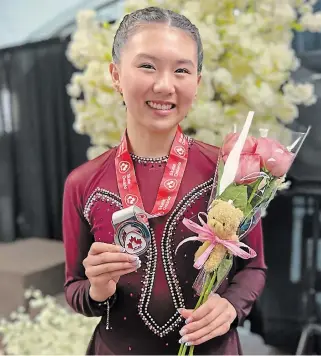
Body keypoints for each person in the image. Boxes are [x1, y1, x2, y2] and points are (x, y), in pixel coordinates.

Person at [62, 6, 267, 355]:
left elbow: (254, 267)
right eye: (147, 66)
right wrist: (97, 289)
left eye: (182, 70)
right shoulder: (82, 183)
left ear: (197, 83)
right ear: (115, 75)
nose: (164, 85)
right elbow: (73, 288)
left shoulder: (229, 171)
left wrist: (231, 305)